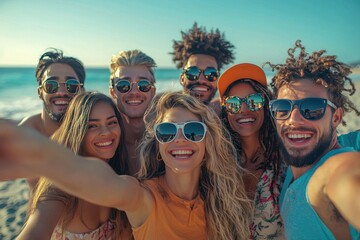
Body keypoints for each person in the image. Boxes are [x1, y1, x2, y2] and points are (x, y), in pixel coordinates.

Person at [0, 92, 253, 240]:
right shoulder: (143, 197)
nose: (179, 139)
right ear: (158, 145)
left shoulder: (224, 199)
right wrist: (41, 156)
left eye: (193, 130)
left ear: (208, 141)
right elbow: (105, 183)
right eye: (166, 131)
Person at [266, 40, 360, 239]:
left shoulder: (331, 172)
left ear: (336, 118)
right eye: (283, 108)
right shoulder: (293, 169)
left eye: (312, 108)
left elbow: (348, 178)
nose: (294, 119)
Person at [17, 92, 131, 240]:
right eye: (92, 126)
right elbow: (36, 231)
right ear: (77, 131)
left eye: (111, 122)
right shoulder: (60, 186)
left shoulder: (121, 173)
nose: (106, 132)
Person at [218, 63, 285, 239]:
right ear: (225, 111)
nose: (244, 109)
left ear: (265, 104)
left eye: (253, 101)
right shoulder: (219, 163)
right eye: (233, 103)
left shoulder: (285, 159)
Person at [19, 48, 85, 191]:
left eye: (71, 86)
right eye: (51, 85)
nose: (61, 92)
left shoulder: (95, 129)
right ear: (40, 92)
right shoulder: (27, 133)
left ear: (81, 91)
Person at [109, 50, 156, 175]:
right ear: (113, 92)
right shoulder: (104, 140)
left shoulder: (168, 137)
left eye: (143, 84)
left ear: (152, 92)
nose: (134, 91)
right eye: (124, 85)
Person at [170, 22, 235, 110]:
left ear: (218, 80)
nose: (201, 80)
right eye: (193, 72)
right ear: (182, 78)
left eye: (211, 74)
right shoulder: (165, 115)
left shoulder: (226, 115)